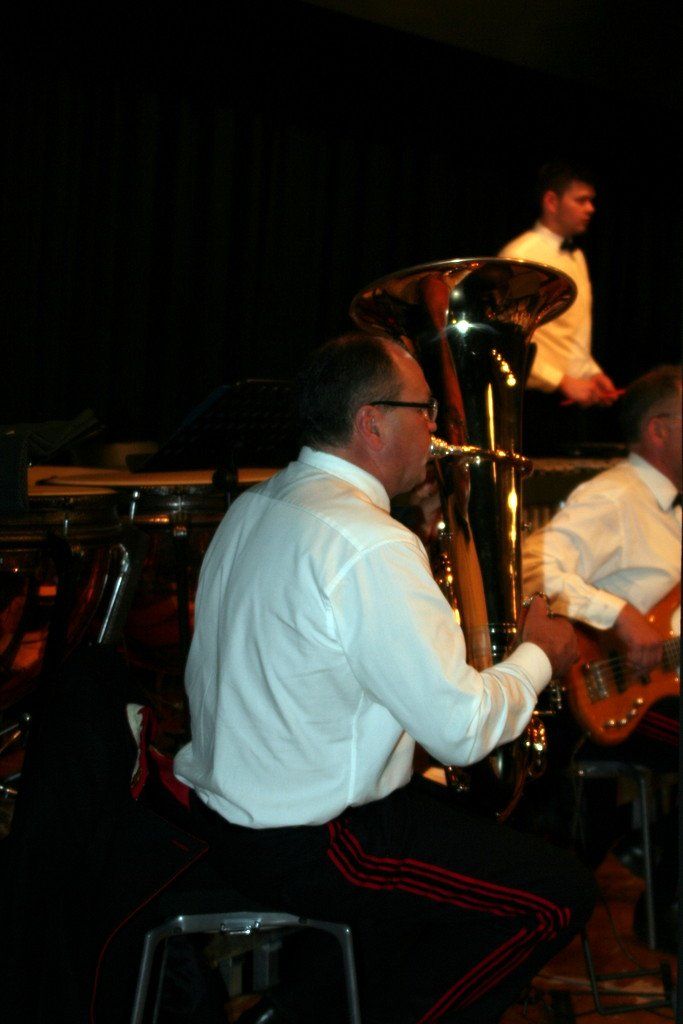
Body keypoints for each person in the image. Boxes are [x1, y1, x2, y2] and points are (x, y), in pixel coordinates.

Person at [174, 331, 596, 1024]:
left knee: (465, 837)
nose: (437, 429)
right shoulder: (368, 542)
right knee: (554, 896)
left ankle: (303, 1008)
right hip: (312, 841)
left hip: (226, 815)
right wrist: (537, 656)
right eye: (425, 410)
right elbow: (461, 732)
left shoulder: (256, 503)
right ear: (371, 422)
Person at [522, 363, 681, 950]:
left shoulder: (672, 509)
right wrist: (616, 613)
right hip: (608, 691)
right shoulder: (615, 496)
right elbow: (532, 566)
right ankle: (669, 909)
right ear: (658, 429)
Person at [499, 160, 621, 454]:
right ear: (551, 201)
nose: (590, 208)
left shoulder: (576, 255)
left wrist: (590, 373)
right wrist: (560, 381)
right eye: (581, 200)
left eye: (591, 200)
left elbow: (573, 332)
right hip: (530, 400)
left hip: (568, 399)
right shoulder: (521, 256)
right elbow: (507, 338)